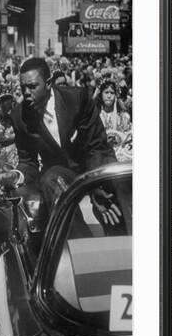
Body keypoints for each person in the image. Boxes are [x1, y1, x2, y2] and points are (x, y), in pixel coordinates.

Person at [8, 57, 120, 230]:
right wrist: (16, 176)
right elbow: (28, 162)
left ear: (48, 83)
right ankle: (79, 244)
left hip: (94, 163)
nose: (26, 92)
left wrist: (95, 184)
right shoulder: (19, 117)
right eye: (23, 88)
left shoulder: (77, 98)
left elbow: (96, 146)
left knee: (117, 185)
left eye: (32, 86)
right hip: (61, 174)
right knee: (50, 179)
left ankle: (123, 241)